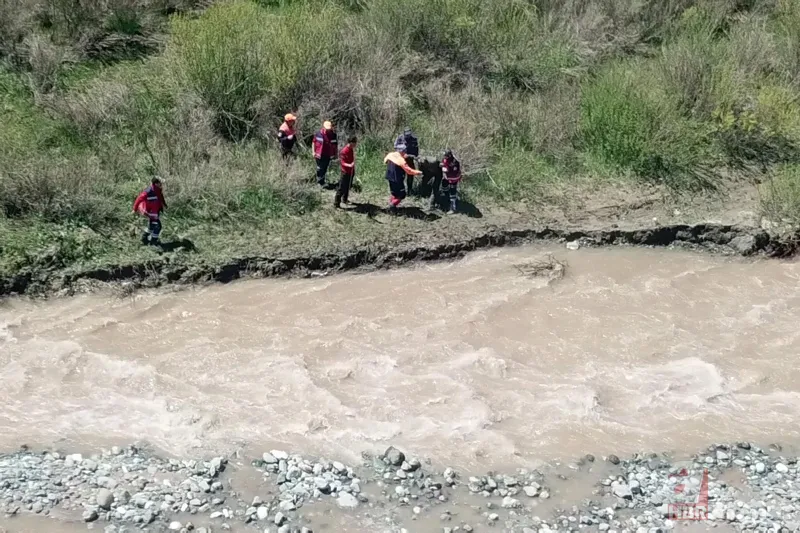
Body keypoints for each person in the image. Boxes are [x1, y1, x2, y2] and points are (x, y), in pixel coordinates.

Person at [384, 144, 422, 214]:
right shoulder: (401, 161)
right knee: (402, 194)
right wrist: (418, 172)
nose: (405, 152)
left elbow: (385, 161)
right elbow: (409, 171)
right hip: (397, 179)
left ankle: (391, 206)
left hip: (389, 176)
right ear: (402, 151)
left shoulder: (390, 155)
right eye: (405, 151)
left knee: (394, 193)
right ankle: (392, 206)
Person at [133, 177, 167, 245]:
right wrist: (135, 209)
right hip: (151, 212)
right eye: (160, 183)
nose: (162, 184)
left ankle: (144, 238)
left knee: (152, 226)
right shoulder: (148, 191)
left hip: (155, 211)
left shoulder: (158, 190)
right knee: (158, 227)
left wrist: (164, 204)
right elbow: (139, 199)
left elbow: (161, 197)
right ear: (156, 183)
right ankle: (153, 242)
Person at [335, 135, 358, 208]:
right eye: (354, 143)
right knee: (342, 187)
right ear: (351, 143)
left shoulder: (351, 149)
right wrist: (350, 165)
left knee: (349, 186)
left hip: (351, 171)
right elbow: (343, 163)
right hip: (345, 172)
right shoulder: (344, 151)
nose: (355, 145)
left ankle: (345, 199)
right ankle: (336, 203)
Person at [313, 120, 338, 186]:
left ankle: (322, 181)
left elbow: (335, 145)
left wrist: (336, 154)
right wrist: (313, 152)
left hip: (327, 155)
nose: (328, 130)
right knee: (319, 168)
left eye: (329, 129)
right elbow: (313, 142)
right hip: (319, 154)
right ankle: (319, 181)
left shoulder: (333, 135)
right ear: (323, 127)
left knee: (325, 168)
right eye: (327, 128)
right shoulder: (318, 133)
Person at [394, 127, 419, 194]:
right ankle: (401, 190)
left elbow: (416, 149)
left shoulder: (414, 139)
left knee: (410, 175)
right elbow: (395, 147)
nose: (408, 137)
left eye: (409, 135)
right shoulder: (400, 138)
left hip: (410, 159)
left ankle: (409, 190)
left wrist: (416, 156)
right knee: (401, 175)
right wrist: (403, 149)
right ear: (404, 133)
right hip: (401, 159)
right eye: (406, 135)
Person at [441, 149, 462, 214]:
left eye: (446, 156)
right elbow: (444, 163)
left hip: (453, 178)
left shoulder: (454, 162)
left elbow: (454, 173)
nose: (444, 157)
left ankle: (453, 208)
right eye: (444, 155)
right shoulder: (445, 159)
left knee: (453, 190)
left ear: (449, 156)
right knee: (444, 185)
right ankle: (446, 197)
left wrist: (445, 170)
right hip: (447, 177)